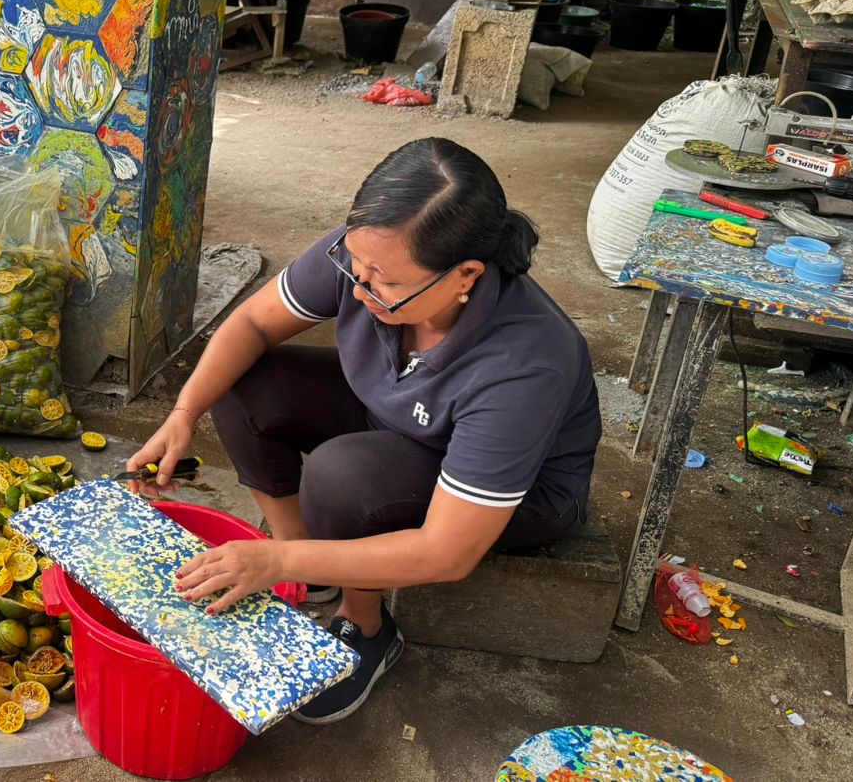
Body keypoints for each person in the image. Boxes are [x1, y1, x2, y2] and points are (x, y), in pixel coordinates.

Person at [128, 138, 601, 724]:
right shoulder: (370, 256)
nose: (358, 286)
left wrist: (275, 561)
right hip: (399, 417)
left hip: (515, 498)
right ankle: (308, 566)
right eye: (356, 262)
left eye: (384, 282)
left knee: (343, 475)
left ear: (466, 275)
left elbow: (448, 552)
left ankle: (366, 625)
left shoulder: (524, 363)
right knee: (240, 382)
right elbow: (251, 322)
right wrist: (183, 414)